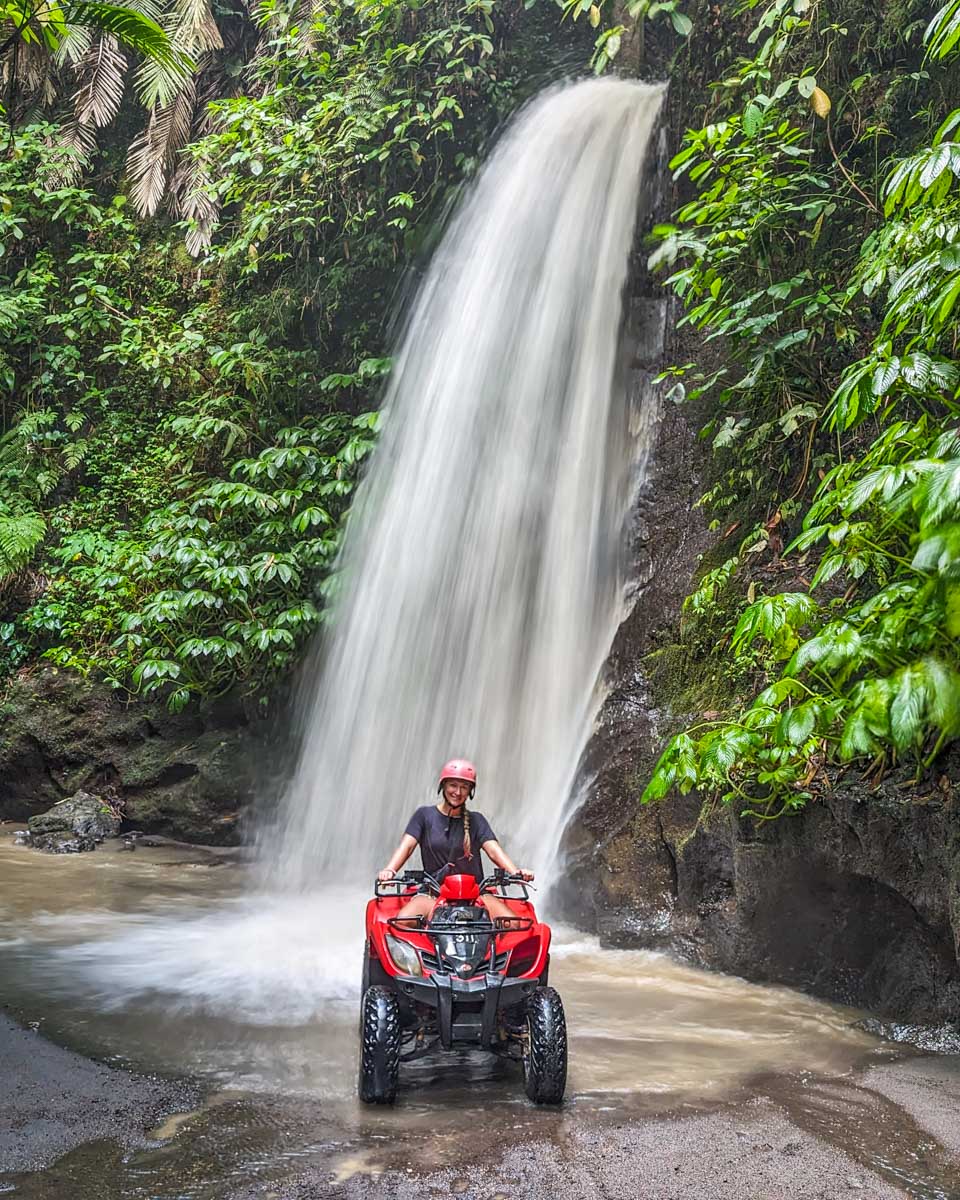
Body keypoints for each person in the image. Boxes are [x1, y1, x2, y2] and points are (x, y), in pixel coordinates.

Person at [378, 758, 533, 923]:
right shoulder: (424, 816)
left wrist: (515, 872)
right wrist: (390, 870)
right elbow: (407, 846)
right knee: (403, 921)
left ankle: (496, 949)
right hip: (434, 892)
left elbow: (494, 850)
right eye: (453, 785)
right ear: (443, 786)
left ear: (470, 791)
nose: (458, 792)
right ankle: (423, 949)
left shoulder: (477, 820)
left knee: (514, 923)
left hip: (476, 894)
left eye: (464, 787)